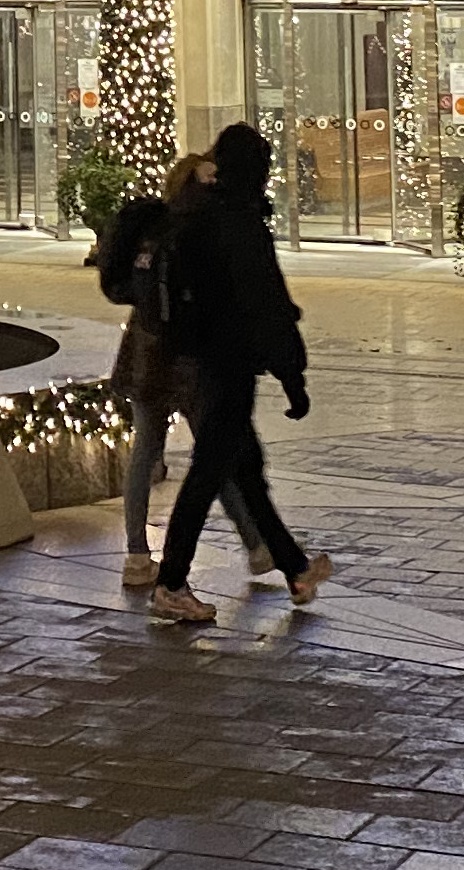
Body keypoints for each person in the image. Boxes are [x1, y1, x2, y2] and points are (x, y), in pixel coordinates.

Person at [149, 123, 334, 625]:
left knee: (245, 469)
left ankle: (295, 569)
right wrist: (292, 376)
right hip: (227, 362)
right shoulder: (238, 221)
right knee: (209, 473)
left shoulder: (198, 210)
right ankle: (171, 582)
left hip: (199, 357)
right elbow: (266, 301)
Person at [92, 152, 279, 592]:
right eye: (209, 177)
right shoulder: (190, 229)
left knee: (152, 451)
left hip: (145, 349)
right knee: (212, 453)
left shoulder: (156, 229)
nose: (216, 184)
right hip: (183, 356)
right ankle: (255, 546)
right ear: (191, 181)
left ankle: (138, 555)